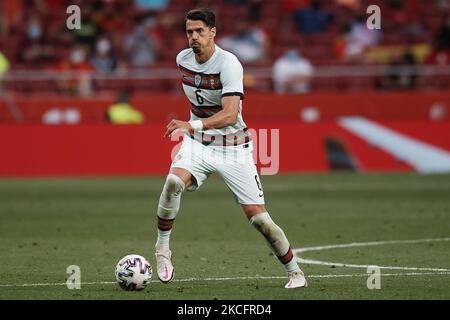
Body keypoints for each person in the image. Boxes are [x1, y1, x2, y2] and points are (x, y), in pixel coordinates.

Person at [153, 8, 307, 289]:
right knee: (174, 181)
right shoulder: (182, 60)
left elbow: (230, 114)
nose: (194, 37)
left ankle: (295, 273)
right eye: (189, 32)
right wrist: (194, 130)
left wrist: (191, 125)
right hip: (199, 145)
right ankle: (162, 251)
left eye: (200, 31)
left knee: (260, 220)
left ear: (213, 32)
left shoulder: (230, 64)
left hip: (234, 149)